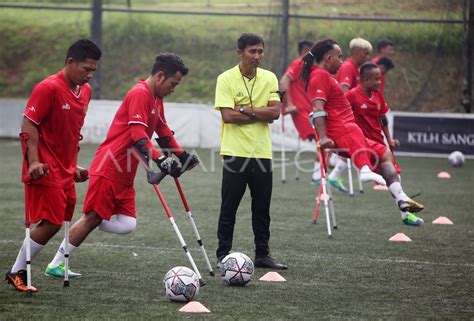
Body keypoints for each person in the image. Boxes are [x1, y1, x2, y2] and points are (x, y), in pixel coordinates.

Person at [44, 53, 199, 278]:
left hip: (126, 172)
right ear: (160, 75)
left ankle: (92, 219)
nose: (173, 88)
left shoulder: (157, 98)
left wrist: (182, 156)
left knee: (127, 225)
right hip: (109, 166)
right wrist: (159, 159)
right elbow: (138, 134)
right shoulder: (140, 94)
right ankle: (57, 263)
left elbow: (162, 131)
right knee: (93, 217)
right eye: (173, 84)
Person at [5, 39, 102, 293]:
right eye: (85, 69)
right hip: (45, 168)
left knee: (61, 218)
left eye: (93, 70)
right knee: (52, 221)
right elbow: (29, 124)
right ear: (70, 62)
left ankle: (21, 271)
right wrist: (34, 160)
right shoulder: (48, 88)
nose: (90, 75)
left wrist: (74, 165)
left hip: (66, 169)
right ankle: (17, 271)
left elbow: (67, 133)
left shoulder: (86, 92)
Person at [300, 38, 424, 226]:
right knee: (358, 134)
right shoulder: (320, 75)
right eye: (339, 57)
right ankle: (365, 171)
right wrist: (324, 136)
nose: (342, 61)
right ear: (328, 57)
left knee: (385, 153)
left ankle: (402, 200)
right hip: (343, 130)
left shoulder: (326, 76)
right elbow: (318, 108)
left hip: (351, 131)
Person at [215, 33, 287, 269]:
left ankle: (263, 255)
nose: (257, 56)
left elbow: (275, 113)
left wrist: (244, 109)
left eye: (260, 51)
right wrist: (259, 113)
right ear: (240, 52)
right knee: (229, 207)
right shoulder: (225, 79)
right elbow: (228, 116)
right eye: (252, 51)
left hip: (262, 153)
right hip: (235, 152)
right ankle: (222, 254)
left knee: (262, 209)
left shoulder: (269, 78)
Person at [328, 37, 373, 193]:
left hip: (347, 115)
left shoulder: (354, 67)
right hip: (344, 116)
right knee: (353, 142)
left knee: (353, 144)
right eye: (366, 54)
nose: (368, 57)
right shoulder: (348, 67)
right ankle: (334, 173)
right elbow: (344, 91)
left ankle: (335, 173)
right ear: (357, 53)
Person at [346, 62, 401, 175]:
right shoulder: (351, 95)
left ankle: (397, 191)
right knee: (388, 174)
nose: (379, 82)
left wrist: (389, 140)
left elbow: (383, 118)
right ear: (365, 80)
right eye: (376, 79)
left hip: (378, 140)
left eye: (380, 79)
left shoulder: (378, 94)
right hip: (363, 142)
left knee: (392, 173)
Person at [280, 40, 322, 183]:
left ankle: (322, 170)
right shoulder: (299, 62)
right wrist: (289, 104)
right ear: (306, 51)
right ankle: (318, 175)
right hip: (300, 111)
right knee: (323, 138)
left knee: (324, 139)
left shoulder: (309, 66)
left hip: (310, 109)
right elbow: (284, 81)